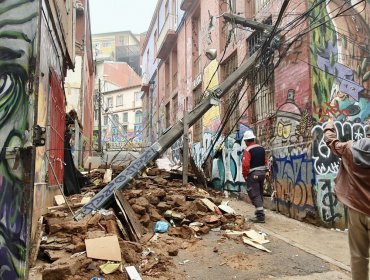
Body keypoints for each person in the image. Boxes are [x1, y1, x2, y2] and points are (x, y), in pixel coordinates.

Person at [324, 118, 370, 280]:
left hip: (356, 211)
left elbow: (331, 141)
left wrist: (329, 125)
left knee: (358, 256)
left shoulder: (351, 148)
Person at [242, 130, 267, 223]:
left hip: (253, 174)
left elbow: (245, 165)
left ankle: (260, 216)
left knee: (254, 193)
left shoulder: (248, 150)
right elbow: (265, 161)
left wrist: (245, 175)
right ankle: (259, 211)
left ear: (246, 141)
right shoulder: (261, 148)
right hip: (262, 173)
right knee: (259, 193)